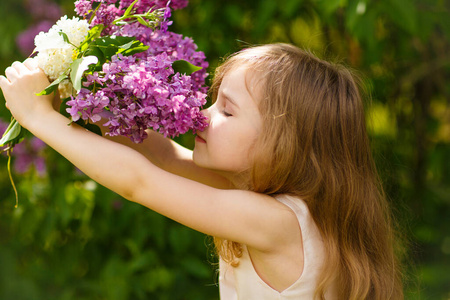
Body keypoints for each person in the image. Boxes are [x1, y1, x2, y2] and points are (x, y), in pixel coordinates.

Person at [0, 43, 403, 299]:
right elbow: (166, 159)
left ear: (285, 143)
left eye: (227, 110)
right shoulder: (265, 199)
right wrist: (92, 100)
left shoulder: (278, 221)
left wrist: (39, 119)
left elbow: (140, 182)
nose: (201, 116)